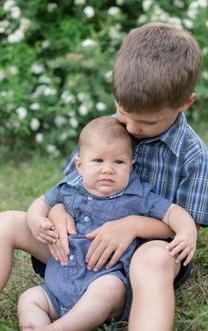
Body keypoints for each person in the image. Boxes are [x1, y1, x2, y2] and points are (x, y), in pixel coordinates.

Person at [0, 22, 208, 331]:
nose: (130, 128)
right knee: (6, 222)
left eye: (146, 121)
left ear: (186, 103)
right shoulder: (106, 130)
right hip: (78, 247)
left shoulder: (193, 156)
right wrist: (56, 214)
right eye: (123, 112)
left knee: (152, 259)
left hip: (137, 259)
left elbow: (185, 230)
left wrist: (131, 226)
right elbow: (67, 187)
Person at [17, 116, 197, 331]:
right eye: (98, 161)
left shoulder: (138, 194)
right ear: (80, 165)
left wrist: (186, 230)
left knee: (107, 289)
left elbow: (173, 212)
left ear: (131, 167)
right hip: (59, 286)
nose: (108, 169)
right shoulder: (69, 187)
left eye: (118, 162)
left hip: (105, 279)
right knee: (29, 299)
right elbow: (41, 203)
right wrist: (36, 218)